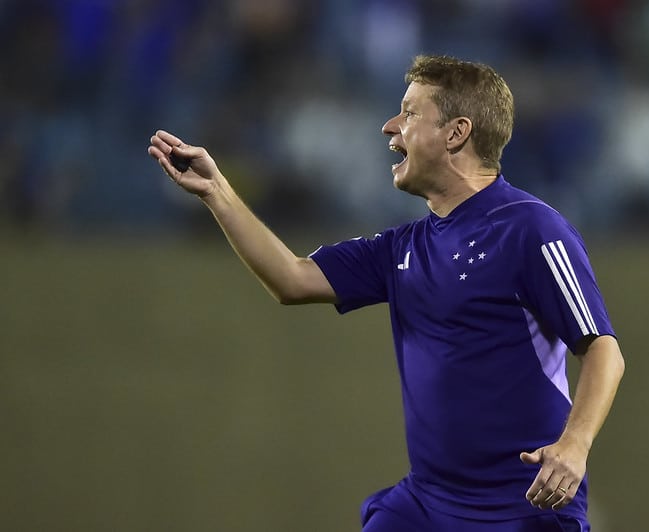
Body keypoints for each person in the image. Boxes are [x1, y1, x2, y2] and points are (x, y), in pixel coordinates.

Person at [148, 54, 624, 532]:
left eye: (410, 113)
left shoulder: (531, 228)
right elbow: (292, 279)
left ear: (456, 133)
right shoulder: (402, 247)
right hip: (428, 506)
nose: (389, 126)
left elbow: (603, 350)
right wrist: (218, 193)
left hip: (523, 509)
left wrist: (575, 444)